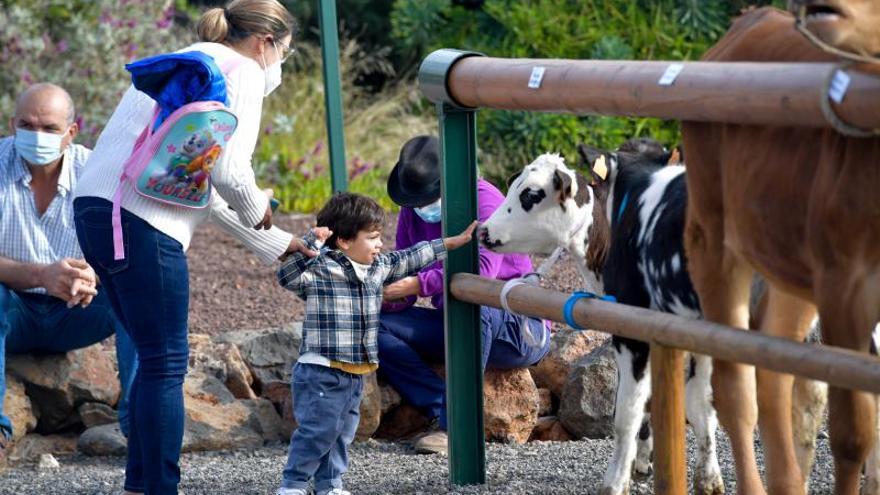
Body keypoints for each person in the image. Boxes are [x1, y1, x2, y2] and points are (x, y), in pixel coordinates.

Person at [72, 1, 309, 493]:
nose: (279, 66)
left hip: (96, 210)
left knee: (150, 352)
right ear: (265, 42)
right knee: (165, 362)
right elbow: (228, 174)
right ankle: (159, 487)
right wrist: (258, 207)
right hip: (140, 222)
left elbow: (195, 185)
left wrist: (279, 242)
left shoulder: (186, 60)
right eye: (283, 53)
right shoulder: (242, 69)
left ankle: (141, 484)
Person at [276, 192, 477, 495]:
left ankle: (329, 485)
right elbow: (287, 276)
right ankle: (292, 484)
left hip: (356, 373)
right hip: (321, 371)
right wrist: (310, 242)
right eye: (372, 238)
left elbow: (410, 257)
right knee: (318, 431)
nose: (380, 244)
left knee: (342, 433)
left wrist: (447, 244)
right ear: (344, 240)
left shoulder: (377, 267)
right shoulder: (321, 268)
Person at [378, 135, 551, 455]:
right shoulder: (413, 208)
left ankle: (453, 426)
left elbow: (481, 271)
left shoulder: (487, 200)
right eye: (415, 200)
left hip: (519, 328)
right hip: (455, 322)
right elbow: (404, 268)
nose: (420, 208)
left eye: (426, 198)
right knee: (376, 325)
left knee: (475, 305)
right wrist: (386, 294)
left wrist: (417, 285)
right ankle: (439, 404)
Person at [0, 83, 137, 469]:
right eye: (25, 125)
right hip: (13, 309)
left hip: (80, 312)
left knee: (136, 290)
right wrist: (41, 273)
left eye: (48, 128)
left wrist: (94, 272)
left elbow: (126, 246)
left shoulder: (97, 173)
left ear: (71, 132)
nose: (35, 135)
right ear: (12, 125)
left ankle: (141, 427)